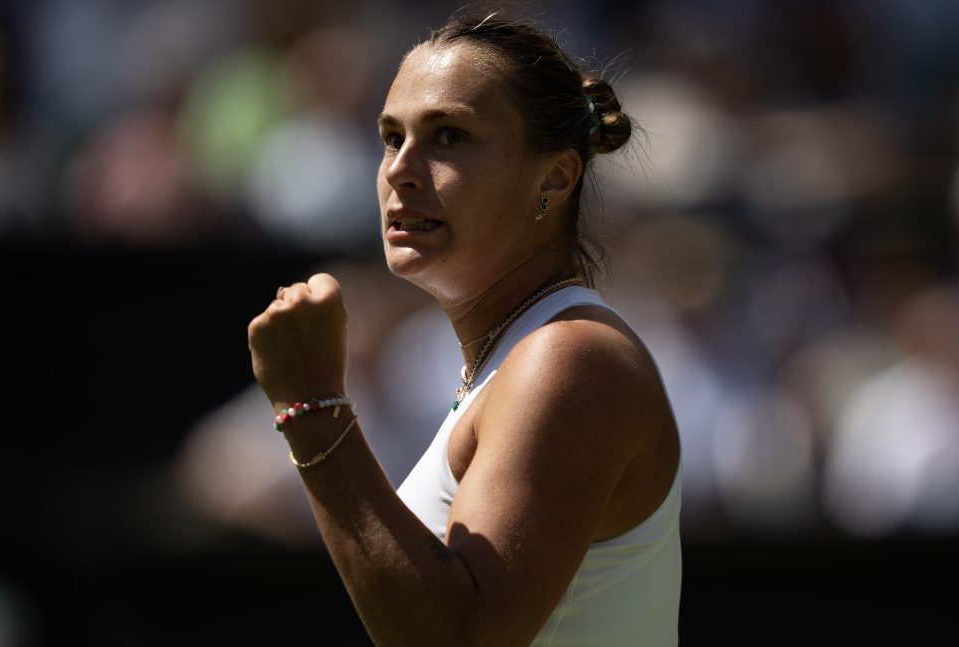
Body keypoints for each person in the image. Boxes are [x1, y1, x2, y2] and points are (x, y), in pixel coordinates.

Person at [247, 11, 682, 646]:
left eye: (449, 136)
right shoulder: (520, 356)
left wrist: (311, 404)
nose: (400, 169)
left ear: (555, 177)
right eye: (391, 137)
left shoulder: (569, 357)